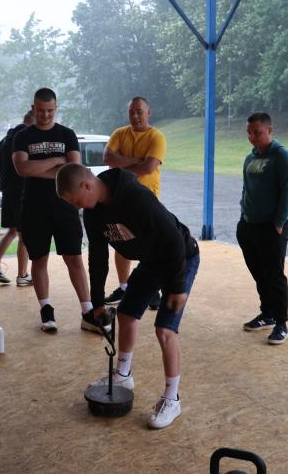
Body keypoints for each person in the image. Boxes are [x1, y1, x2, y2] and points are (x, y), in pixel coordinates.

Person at [56, 163, 200, 429]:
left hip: (179, 258)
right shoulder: (93, 213)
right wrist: (97, 303)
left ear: (86, 185)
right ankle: (123, 374)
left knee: (165, 329)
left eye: (76, 201)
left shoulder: (135, 196)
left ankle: (172, 398)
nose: (76, 207)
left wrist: (178, 286)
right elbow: (98, 257)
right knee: (125, 314)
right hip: (151, 261)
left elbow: (173, 239)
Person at [12, 88, 106, 334]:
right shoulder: (22, 136)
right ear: (33, 108)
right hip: (34, 208)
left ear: (56, 108)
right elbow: (22, 169)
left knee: (74, 258)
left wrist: (40, 168)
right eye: (41, 111)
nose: (45, 115)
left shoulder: (67, 134)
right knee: (39, 258)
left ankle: (87, 311)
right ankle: (46, 308)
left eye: (50, 111)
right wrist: (56, 161)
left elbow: (74, 168)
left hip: (65, 206)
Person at [237, 112, 288, 345]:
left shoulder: (283, 157)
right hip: (248, 226)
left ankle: (281, 323)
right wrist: (243, 217)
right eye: (249, 133)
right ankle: (267, 314)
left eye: (257, 133)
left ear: (270, 130)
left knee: (274, 275)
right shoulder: (249, 159)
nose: (252, 137)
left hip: (271, 228)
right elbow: (246, 189)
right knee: (259, 274)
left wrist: (279, 223)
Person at [102, 96, 167, 309]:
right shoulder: (119, 134)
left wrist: (121, 164)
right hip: (120, 198)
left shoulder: (156, 137)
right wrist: (137, 160)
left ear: (149, 112)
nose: (136, 116)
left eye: (139, 111)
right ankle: (124, 287)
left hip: (147, 199)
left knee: (149, 244)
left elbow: (148, 168)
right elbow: (108, 159)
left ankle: (152, 290)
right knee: (122, 242)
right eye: (132, 112)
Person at [0, 110, 35, 286]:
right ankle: (22, 275)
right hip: (21, 191)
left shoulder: (5, 140)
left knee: (13, 231)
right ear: (31, 122)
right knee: (24, 234)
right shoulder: (24, 139)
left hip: (7, 191)